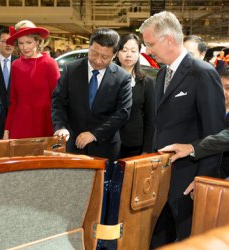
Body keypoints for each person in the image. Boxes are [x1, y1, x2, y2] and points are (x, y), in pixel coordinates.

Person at [139, 11, 225, 247]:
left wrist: (204, 181)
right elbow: (159, 125)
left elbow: (215, 133)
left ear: (168, 39)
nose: (147, 51)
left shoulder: (202, 74)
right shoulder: (162, 74)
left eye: (150, 44)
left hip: (190, 181)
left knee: (189, 241)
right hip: (163, 178)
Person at [51, 28, 132, 163]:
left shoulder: (122, 77)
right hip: (73, 144)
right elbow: (58, 101)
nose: (98, 60)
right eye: (94, 54)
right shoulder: (71, 70)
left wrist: (95, 134)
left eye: (105, 57)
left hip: (105, 146)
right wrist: (61, 126)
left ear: (115, 54)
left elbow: (122, 112)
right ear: (89, 47)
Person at [3, 20, 60, 139]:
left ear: (38, 41)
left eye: (29, 42)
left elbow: (58, 100)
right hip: (20, 124)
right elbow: (13, 101)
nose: (25, 47)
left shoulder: (50, 63)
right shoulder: (15, 65)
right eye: (21, 43)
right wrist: (7, 129)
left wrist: (60, 126)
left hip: (45, 123)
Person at [114, 33, 155, 157]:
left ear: (138, 54)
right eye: (124, 50)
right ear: (117, 52)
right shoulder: (106, 79)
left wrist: (146, 149)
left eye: (133, 51)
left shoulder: (147, 82)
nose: (128, 55)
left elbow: (151, 119)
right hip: (107, 143)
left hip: (134, 146)